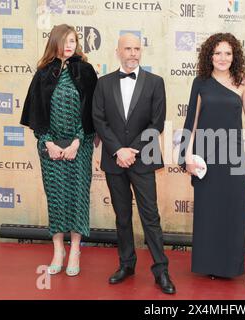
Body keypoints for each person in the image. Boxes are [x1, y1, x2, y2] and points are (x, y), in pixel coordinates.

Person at [180, 33, 245, 291]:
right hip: (205, 156)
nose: (222, 58)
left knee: (239, 208)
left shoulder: (243, 82)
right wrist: (185, 155)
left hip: (233, 156)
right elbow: (191, 123)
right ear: (210, 55)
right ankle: (216, 264)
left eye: (227, 53)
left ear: (234, 56)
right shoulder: (201, 82)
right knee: (210, 211)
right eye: (217, 53)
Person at [92, 33, 176, 294]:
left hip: (143, 160)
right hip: (115, 160)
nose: (133, 53)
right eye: (127, 49)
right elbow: (99, 119)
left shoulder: (155, 82)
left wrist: (133, 151)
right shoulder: (104, 83)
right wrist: (118, 150)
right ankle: (126, 264)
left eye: (137, 49)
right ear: (118, 51)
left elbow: (157, 123)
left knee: (150, 217)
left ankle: (161, 270)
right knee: (123, 217)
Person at [20, 24, 98, 276]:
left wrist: (76, 142)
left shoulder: (86, 71)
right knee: (56, 197)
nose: (69, 45)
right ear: (54, 42)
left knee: (77, 198)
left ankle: (75, 249)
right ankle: (58, 250)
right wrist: (49, 143)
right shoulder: (43, 73)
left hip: (81, 146)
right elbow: (36, 113)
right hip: (50, 147)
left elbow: (90, 112)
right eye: (64, 40)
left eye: (73, 40)